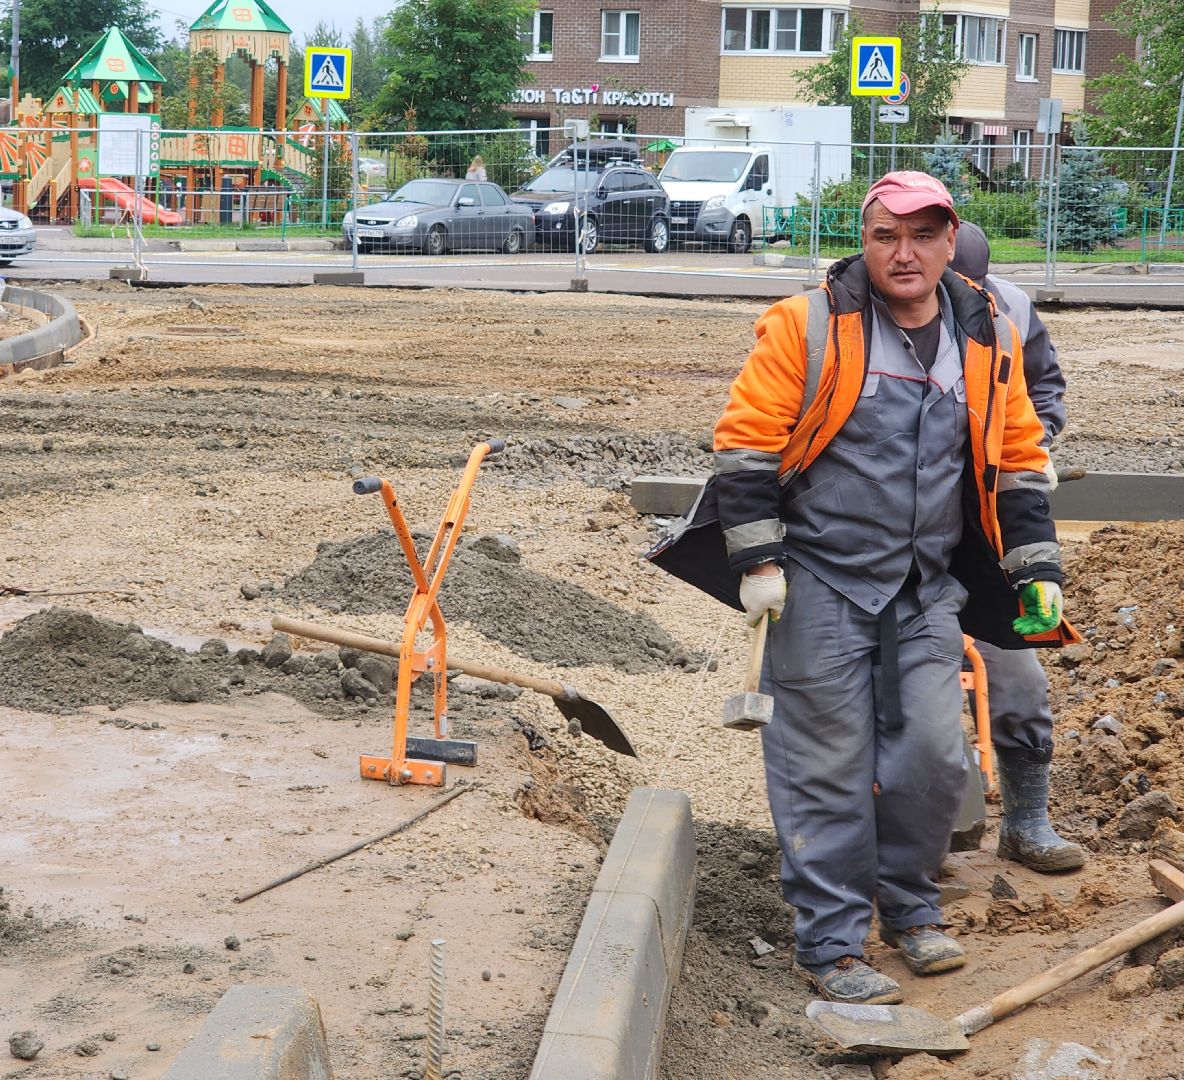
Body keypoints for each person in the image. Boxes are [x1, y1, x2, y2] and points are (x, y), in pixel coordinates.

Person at [650, 171, 1076, 1006]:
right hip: (818, 579)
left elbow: (1019, 455)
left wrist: (1037, 570)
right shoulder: (806, 326)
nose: (904, 252)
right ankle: (835, 945)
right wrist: (760, 564)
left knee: (934, 755)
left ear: (952, 241)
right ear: (865, 241)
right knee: (825, 766)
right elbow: (745, 449)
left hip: (925, 586)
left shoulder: (985, 329)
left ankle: (912, 910)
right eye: (886, 236)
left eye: (923, 235)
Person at [949, 222, 1085, 873]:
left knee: (1024, 673)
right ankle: (925, 831)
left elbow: (1045, 388)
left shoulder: (1012, 314)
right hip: (905, 544)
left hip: (997, 530)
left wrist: (1038, 447)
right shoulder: (882, 323)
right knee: (921, 682)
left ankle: (1028, 822)